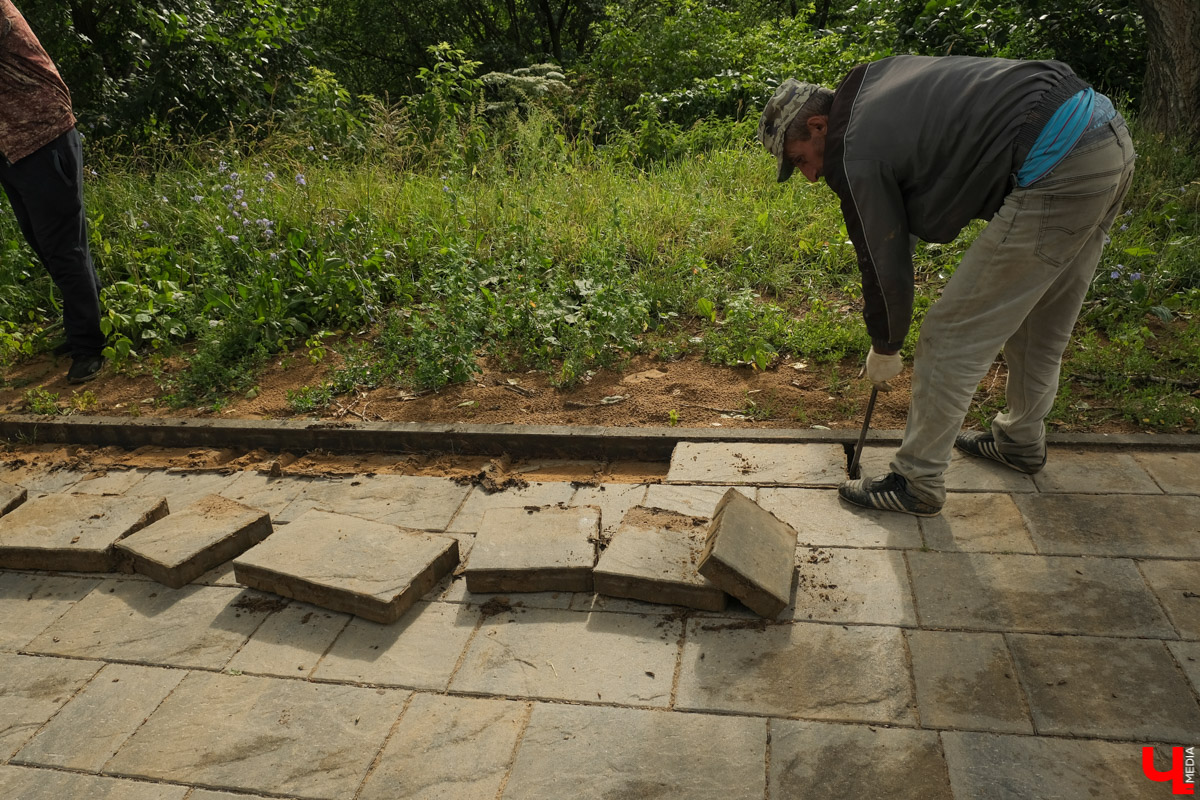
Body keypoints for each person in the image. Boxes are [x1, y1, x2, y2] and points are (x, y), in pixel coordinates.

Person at [758, 56, 1135, 516]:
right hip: (1105, 137)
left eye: (800, 159)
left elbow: (881, 257)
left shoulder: (852, 149)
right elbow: (907, 203)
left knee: (949, 336)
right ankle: (1019, 441)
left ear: (819, 126)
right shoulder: (874, 87)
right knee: (1041, 318)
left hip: (1058, 163)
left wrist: (886, 343)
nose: (810, 175)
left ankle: (916, 481)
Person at [0, 0, 104, 383]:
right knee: (46, 244)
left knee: (63, 247)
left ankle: (88, 347)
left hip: (43, 138)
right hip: (12, 147)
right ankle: (86, 323)